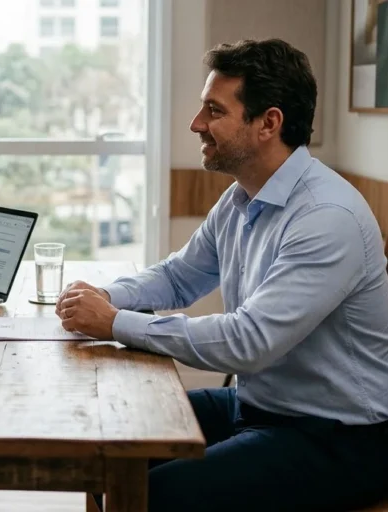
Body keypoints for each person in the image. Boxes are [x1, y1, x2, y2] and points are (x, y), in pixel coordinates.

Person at [57, 39, 388, 511]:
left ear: (268, 124)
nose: (197, 125)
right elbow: (178, 277)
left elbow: (247, 342)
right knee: (107, 440)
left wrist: (113, 322)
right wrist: (101, 297)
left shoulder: (326, 216)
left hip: (341, 438)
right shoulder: (242, 197)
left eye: (214, 111)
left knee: (157, 496)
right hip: (259, 408)